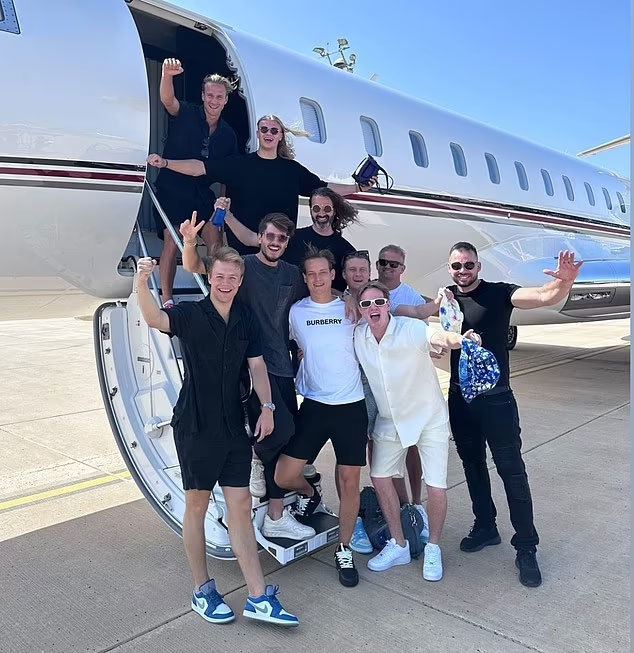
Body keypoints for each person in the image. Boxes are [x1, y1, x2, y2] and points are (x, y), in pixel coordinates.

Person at [135, 248, 298, 626]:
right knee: (197, 506)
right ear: (210, 278)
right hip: (195, 425)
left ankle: (258, 598)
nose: (225, 284)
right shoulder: (191, 314)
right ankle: (202, 590)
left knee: (240, 507)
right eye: (220, 277)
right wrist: (141, 282)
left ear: (240, 282)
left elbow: (257, 366)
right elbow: (154, 316)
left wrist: (269, 407)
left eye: (232, 278)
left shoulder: (245, 318)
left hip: (232, 426)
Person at [446, 243, 583, 588]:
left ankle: (526, 547)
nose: (462, 271)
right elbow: (417, 310)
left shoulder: (499, 293)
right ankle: (486, 526)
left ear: (478, 265)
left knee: (511, 471)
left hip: (497, 401)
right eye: (456, 266)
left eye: (468, 265)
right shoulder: (447, 297)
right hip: (461, 399)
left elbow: (541, 296)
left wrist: (562, 284)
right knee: (472, 464)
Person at [180, 211, 315, 542]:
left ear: (287, 242)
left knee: (285, 434)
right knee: (276, 430)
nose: (274, 242)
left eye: (281, 238)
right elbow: (194, 266)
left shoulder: (291, 274)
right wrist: (188, 242)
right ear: (260, 237)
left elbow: (306, 304)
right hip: (252, 366)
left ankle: (275, 508)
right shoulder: (244, 266)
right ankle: (261, 475)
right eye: (269, 236)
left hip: (282, 366)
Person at [354, 280, 480, 581]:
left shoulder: (409, 329)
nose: (374, 308)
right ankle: (398, 543)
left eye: (379, 303)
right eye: (366, 304)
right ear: (360, 310)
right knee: (380, 476)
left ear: (389, 306)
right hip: (390, 420)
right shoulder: (359, 336)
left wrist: (460, 339)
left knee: (436, 485)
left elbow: (436, 336)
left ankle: (433, 547)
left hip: (428, 418)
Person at [147, 114, 375, 255]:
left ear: (280, 137)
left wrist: (357, 188)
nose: (268, 133)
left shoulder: (291, 170)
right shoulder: (239, 165)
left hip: (280, 251)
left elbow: (324, 188)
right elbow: (200, 168)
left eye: (274, 131)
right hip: (244, 251)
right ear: (258, 133)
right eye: (264, 129)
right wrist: (166, 163)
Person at [275, 248, 368, 587]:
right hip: (313, 404)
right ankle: (312, 495)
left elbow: (377, 302)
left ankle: (344, 548)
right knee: (285, 475)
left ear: (333, 275)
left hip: (350, 407)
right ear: (305, 278)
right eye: (310, 274)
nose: (317, 278)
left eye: (323, 272)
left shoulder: (351, 308)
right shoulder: (296, 312)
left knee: (349, 484)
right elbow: (290, 345)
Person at [152, 59, 239, 307]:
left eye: (219, 96)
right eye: (209, 94)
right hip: (172, 187)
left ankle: (214, 294)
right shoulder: (188, 113)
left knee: (214, 237)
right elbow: (169, 101)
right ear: (203, 95)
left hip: (201, 192)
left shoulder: (228, 134)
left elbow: (228, 174)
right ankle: (167, 299)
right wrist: (167, 75)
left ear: (225, 100)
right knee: (172, 239)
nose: (214, 100)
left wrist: (223, 206)